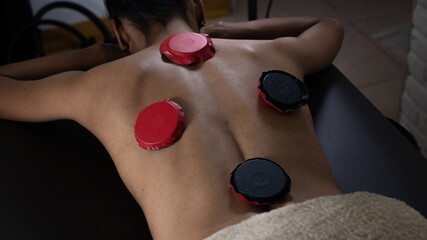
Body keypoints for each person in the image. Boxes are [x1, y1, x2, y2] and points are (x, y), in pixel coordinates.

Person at [0, 0, 346, 239]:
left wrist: (89, 55)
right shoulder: (272, 51)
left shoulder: (97, 83)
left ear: (120, 33)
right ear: (197, 7)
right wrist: (225, 31)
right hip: (337, 224)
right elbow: (327, 25)